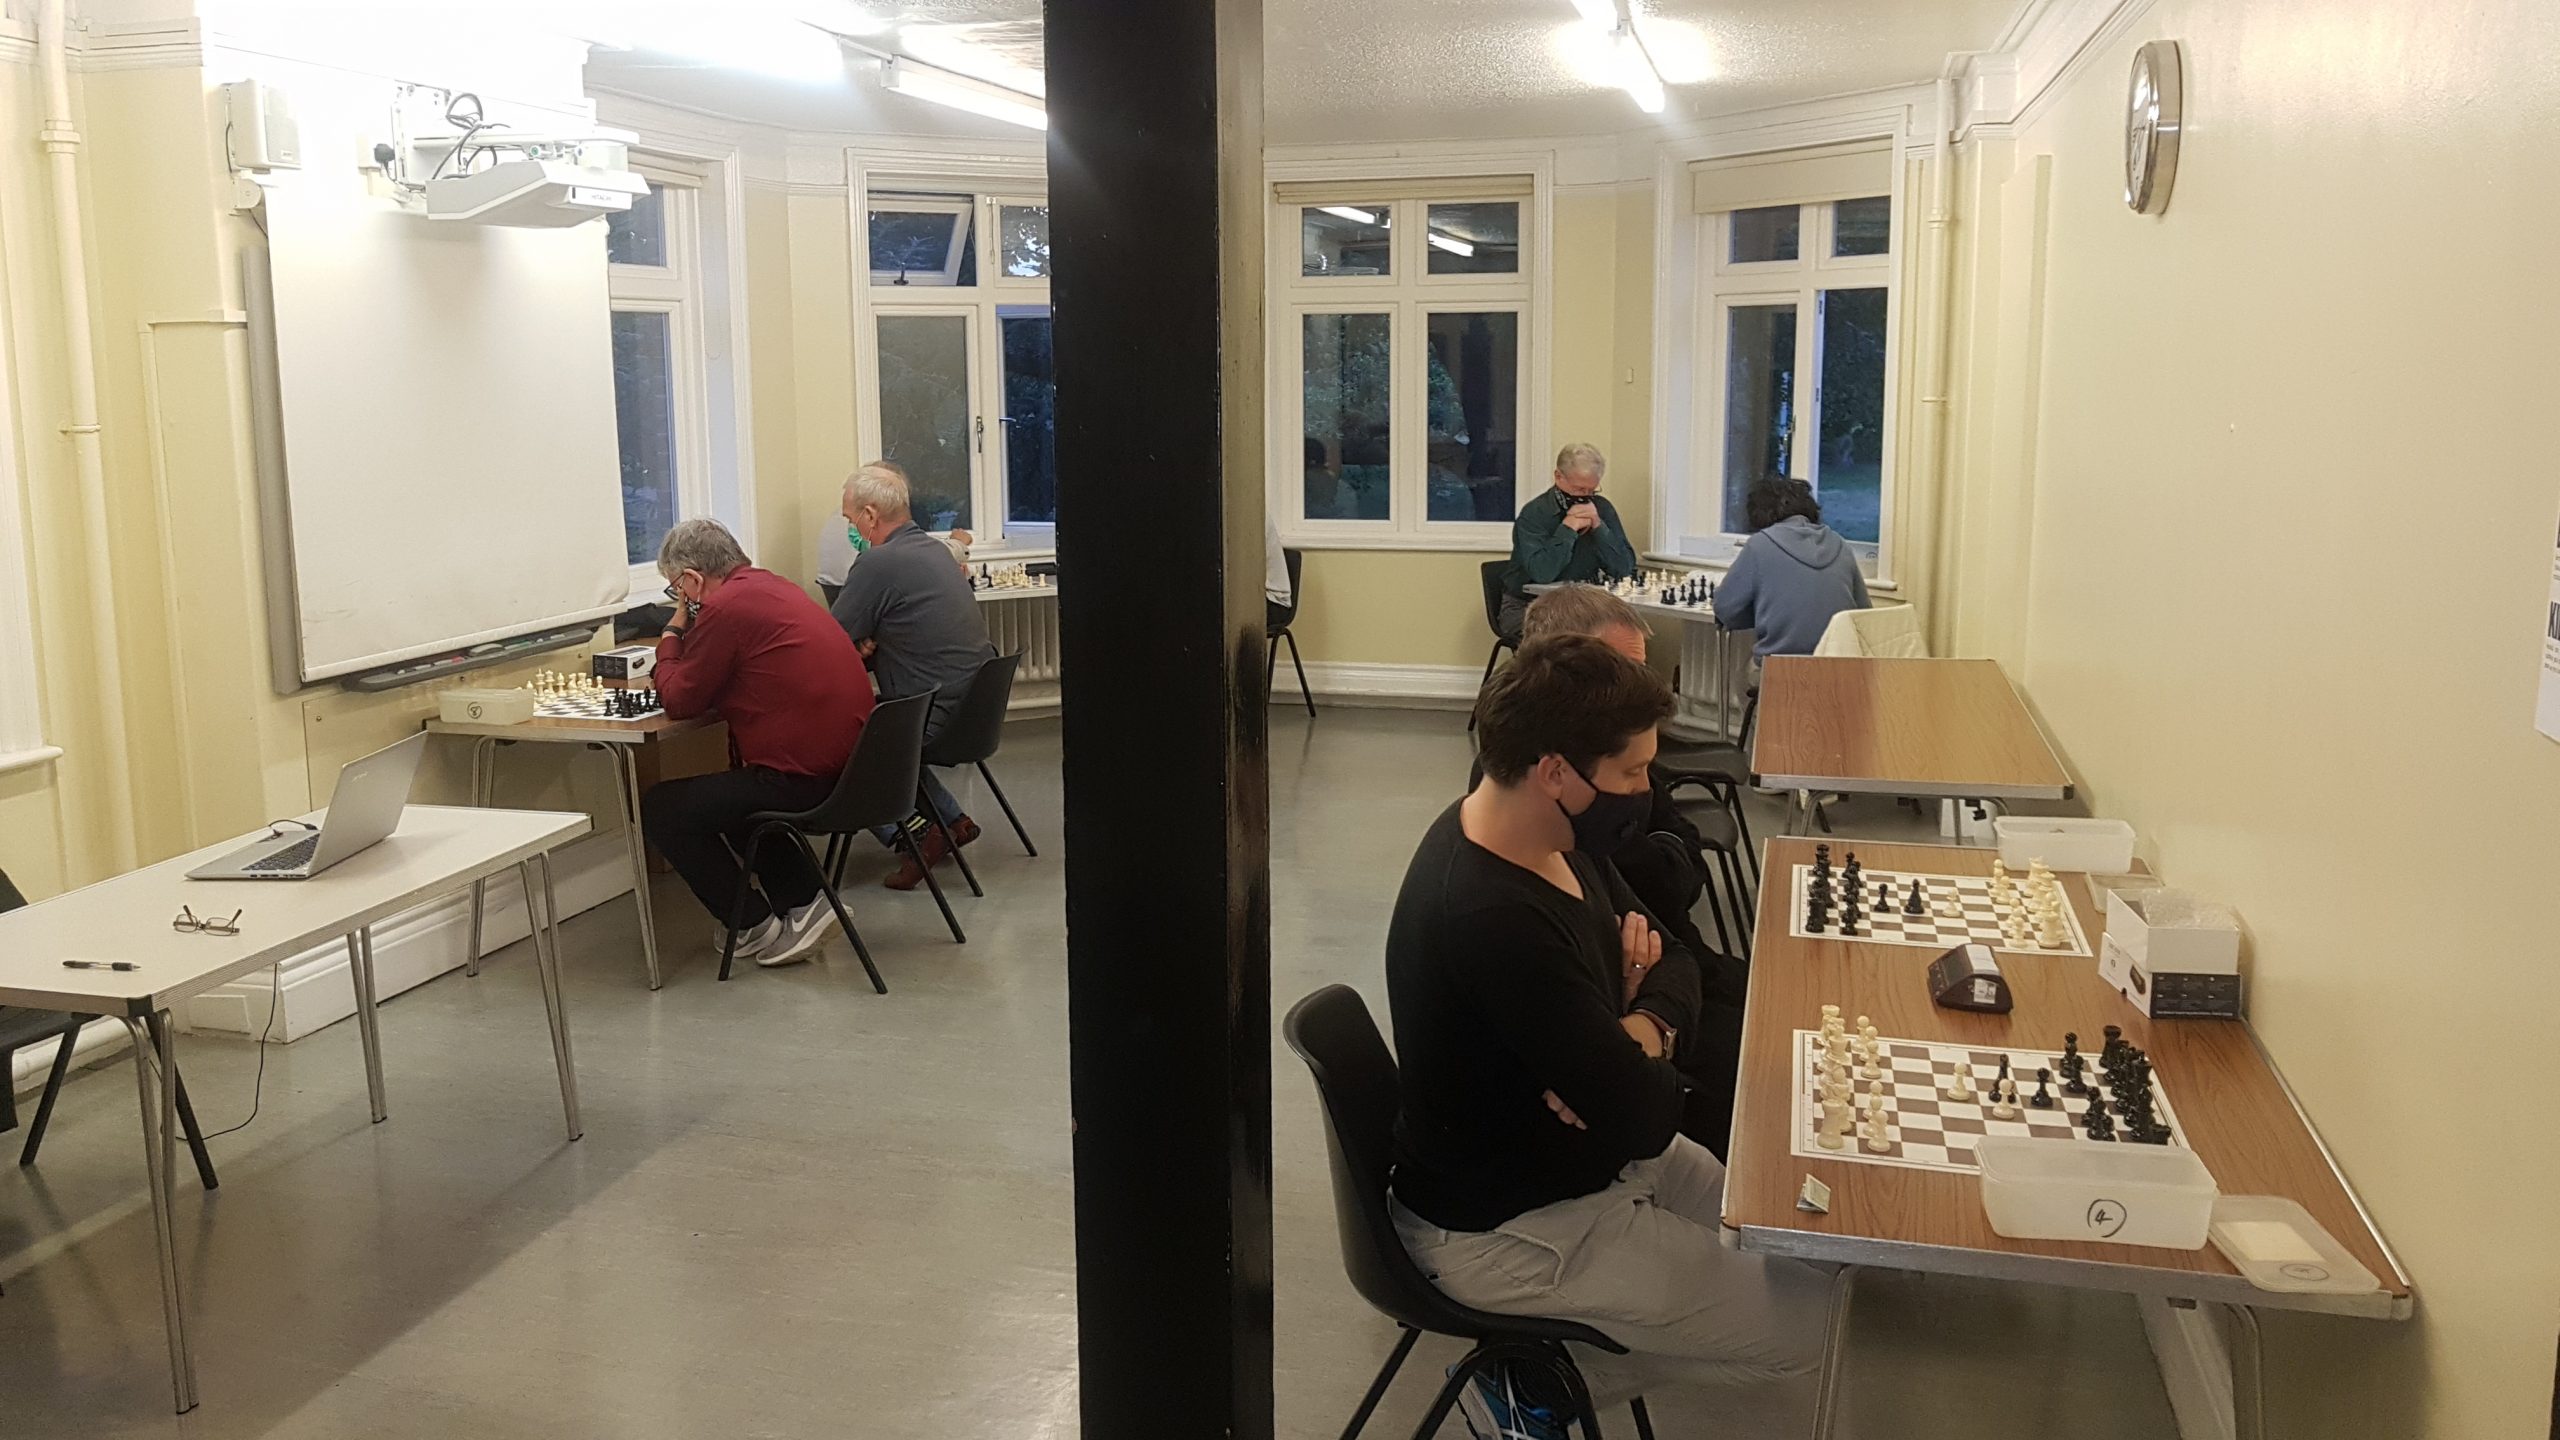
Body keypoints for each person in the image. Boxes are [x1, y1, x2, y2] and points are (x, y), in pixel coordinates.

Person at [1389, 635, 1827, 1434]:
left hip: (1597, 1161)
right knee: (1812, 1333)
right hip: (1513, 1225)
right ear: (1557, 772)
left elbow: (1680, 959)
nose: (1646, 792)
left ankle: (1540, 1378)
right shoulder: (1492, 917)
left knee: (1814, 1258)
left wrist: (1638, 1027)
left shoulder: (1556, 840)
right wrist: (1627, 1063)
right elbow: (1646, 1114)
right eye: (1631, 773)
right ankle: (1538, 1389)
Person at [1519, 585, 1751, 1156]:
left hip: (1679, 968)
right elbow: (1661, 885)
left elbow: (1681, 872)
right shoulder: (1546, 810)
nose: (1639, 690)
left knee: (1787, 1005)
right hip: (1645, 1017)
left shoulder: (1617, 760)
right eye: (1620, 672)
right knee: (1774, 1073)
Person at [641, 519, 877, 968]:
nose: (681, 599)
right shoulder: (773, 586)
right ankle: (807, 903)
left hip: (809, 780)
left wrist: (671, 637)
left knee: (662, 807)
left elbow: (680, 700)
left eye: (677, 589)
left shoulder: (725, 608)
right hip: (858, 769)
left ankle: (749, 923)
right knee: (735, 794)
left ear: (692, 579)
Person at [831, 461, 999, 890]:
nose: (850, 528)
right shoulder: (936, 551)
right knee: (876, 728)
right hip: (974, 713)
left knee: (840, 740)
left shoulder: (877, 564)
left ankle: (915, 835)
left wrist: (858, 645)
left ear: (870, 516)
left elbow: (830, 643)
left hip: (932, 716)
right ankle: (952, 820)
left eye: (850, 519)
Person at [1715, 476, 1870, 658]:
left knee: (1746, 668)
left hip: (1779, 666)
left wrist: (1761, 614)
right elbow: (1863, 614)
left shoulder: (1759, 545)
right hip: (1839, 666)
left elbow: (1725, 610)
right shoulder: (1840, 543)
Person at [1499, 443, 1638, 643]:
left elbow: (1624, 569)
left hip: (1582, 606)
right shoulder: (1534, 514)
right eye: (1579, 489)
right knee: (1574, 641)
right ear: (1559, 477)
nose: (1585, 497)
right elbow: (1542, 574)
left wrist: (1599, 527)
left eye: (1592, 490)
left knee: (1626, 636)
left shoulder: (1602, 508)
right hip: (1529, 606)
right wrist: (1568, 529)